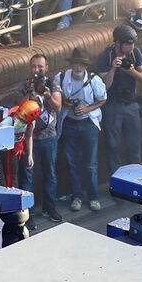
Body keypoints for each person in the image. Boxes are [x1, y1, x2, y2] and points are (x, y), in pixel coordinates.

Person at [57, 47, 107, 212]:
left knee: (90, 164)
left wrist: (87, 109)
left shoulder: (95, 80)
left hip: (88, 124)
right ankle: (77, 196)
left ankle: (93, 197)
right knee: (72, 163)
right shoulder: (61, 77)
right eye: (75, 64)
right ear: (71, 65)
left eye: (81, 65)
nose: (78, 68)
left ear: (86, 67)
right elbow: (56, 96)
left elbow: (102, 99)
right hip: (69, 123)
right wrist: (66, 102)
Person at [96, 24, 142, 177]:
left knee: (134, 146)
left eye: (133, 43)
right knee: (113, 147)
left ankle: (136, 181)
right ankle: (117, 183)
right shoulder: (105, 56)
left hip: (131, 104)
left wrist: (131, 71)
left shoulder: (135, 53)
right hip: (112, 106)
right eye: (128, 44)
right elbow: (103, 87)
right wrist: (113, 68)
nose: (132, 47)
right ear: (118, 43)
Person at [17, 54, 63, 223]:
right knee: (27, 176)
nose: (37, 70)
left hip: (49, 137)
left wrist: (48, 95)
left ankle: (49, 208)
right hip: (30, 138)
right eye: (34, 66)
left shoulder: (53, 84)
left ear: (46, 67)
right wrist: (30, 91)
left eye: (40, 67)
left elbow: (58, 108)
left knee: (50, 174)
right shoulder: (24, 85)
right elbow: (19, 109)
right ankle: (28, 215)